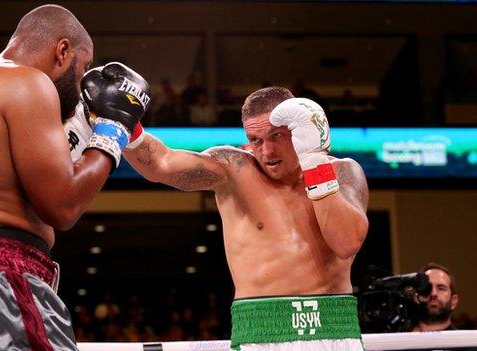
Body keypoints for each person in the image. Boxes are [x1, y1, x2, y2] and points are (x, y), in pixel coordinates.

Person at [0, 4, 150, 351]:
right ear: (62, 50)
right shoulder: (29, 82)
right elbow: (63, 206)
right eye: (82, 68)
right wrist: (112, 131)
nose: (82, 82)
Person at [117, 87, 369, 350]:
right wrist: (124, 122)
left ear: (299, 129)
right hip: (260, 331)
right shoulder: (233, 170)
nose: (267, 151)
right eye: (256, 140)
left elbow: (346, 242)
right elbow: (162, 164)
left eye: (276, 136)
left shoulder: (344, 172)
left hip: (335, 327)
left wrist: (314, 161)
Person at [407, 263, 477, 351]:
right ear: (416, 297)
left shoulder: (469, 345)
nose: (433, 294)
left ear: (453, 302)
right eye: (427, 288)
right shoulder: (394, 342)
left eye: (441, 288)